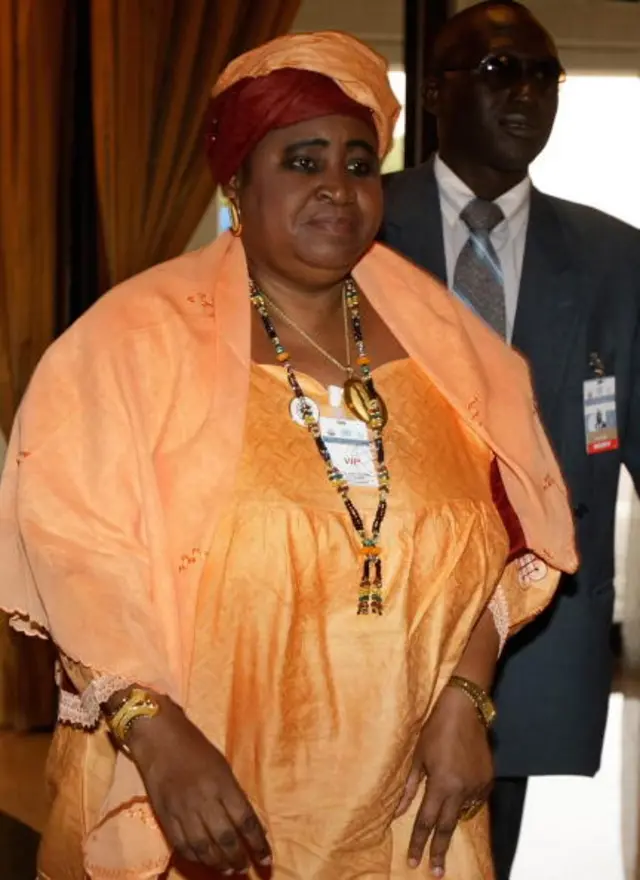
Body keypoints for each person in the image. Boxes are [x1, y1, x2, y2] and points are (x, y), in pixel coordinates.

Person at [0, 30, 577, 880]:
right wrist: (156, 740)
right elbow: (78, 558)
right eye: (302, 163)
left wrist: (466, 697)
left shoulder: (453, 345)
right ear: (237, 180)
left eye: (356, 163)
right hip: (204, 797)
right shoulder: (125, 348)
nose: (338, 191)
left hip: (409, 802)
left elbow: (504, 537)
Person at [379, 2, 640, 878]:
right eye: (499, 71)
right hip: (373, 609)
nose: (527, 93)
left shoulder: (615, 259)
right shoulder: (359, 225)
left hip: (532, 631)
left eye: (544, 75)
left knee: (486, 853)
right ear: (439, 93)